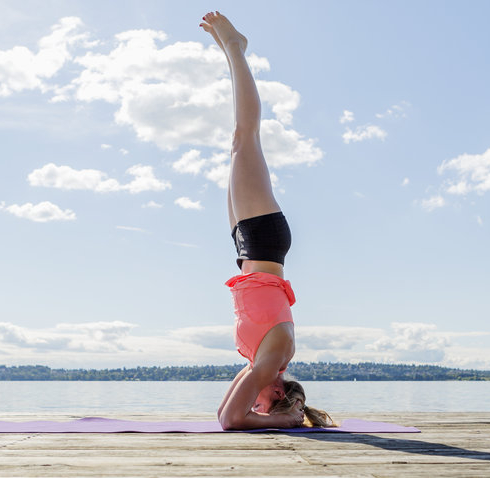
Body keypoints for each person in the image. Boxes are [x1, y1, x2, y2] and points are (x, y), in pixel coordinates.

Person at [200, 11, 335, 430]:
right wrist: (286, 422)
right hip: (263, 241)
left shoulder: (264, 367)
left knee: (237, 143)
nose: (255, 405)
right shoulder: (272, 363)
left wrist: (281, 417)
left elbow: (225, 415)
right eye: (264, 405)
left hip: (249, 248)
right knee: (245, 137)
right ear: (277, 393)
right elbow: (232, 421)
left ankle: (232, 52)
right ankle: (237, 49)